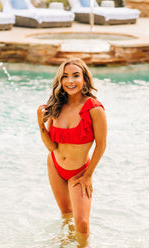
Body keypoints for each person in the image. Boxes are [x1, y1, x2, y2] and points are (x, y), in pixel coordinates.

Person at [37, 58, 107, 236]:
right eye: (65, 76)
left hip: (79, 172)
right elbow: (52, 147)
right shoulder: (56, 107)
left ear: (84, 79)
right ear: (60, 81)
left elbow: (101, 145)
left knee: (82, 223)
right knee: (66, 214)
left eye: (76, 75)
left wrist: (88, 175)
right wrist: (40, 124)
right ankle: (65, 245)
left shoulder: (94, 108)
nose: (70, 81)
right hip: (55, 165)